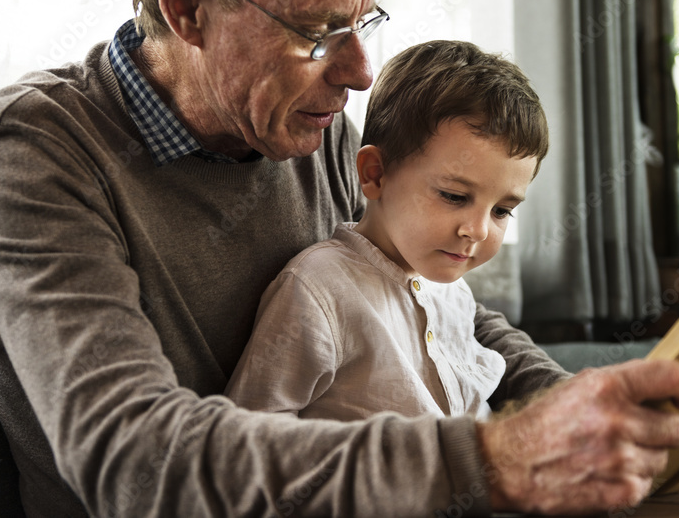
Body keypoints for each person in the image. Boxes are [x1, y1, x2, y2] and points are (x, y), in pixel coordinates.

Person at [0, 0, 679, 516]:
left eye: (363, 22)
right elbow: (133, 460)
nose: (360, 70)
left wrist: (599, 412)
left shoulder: (315, 131)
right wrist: (488, 456)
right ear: (188, 8)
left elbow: (440, 308)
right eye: (316, 32)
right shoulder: (37, 149)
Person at [225, 40, 548, 422]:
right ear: (375, 174)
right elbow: (251, 434)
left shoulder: (449, 288)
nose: (477, 230)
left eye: (502, 210)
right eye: (454, 196)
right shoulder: (317, 291)